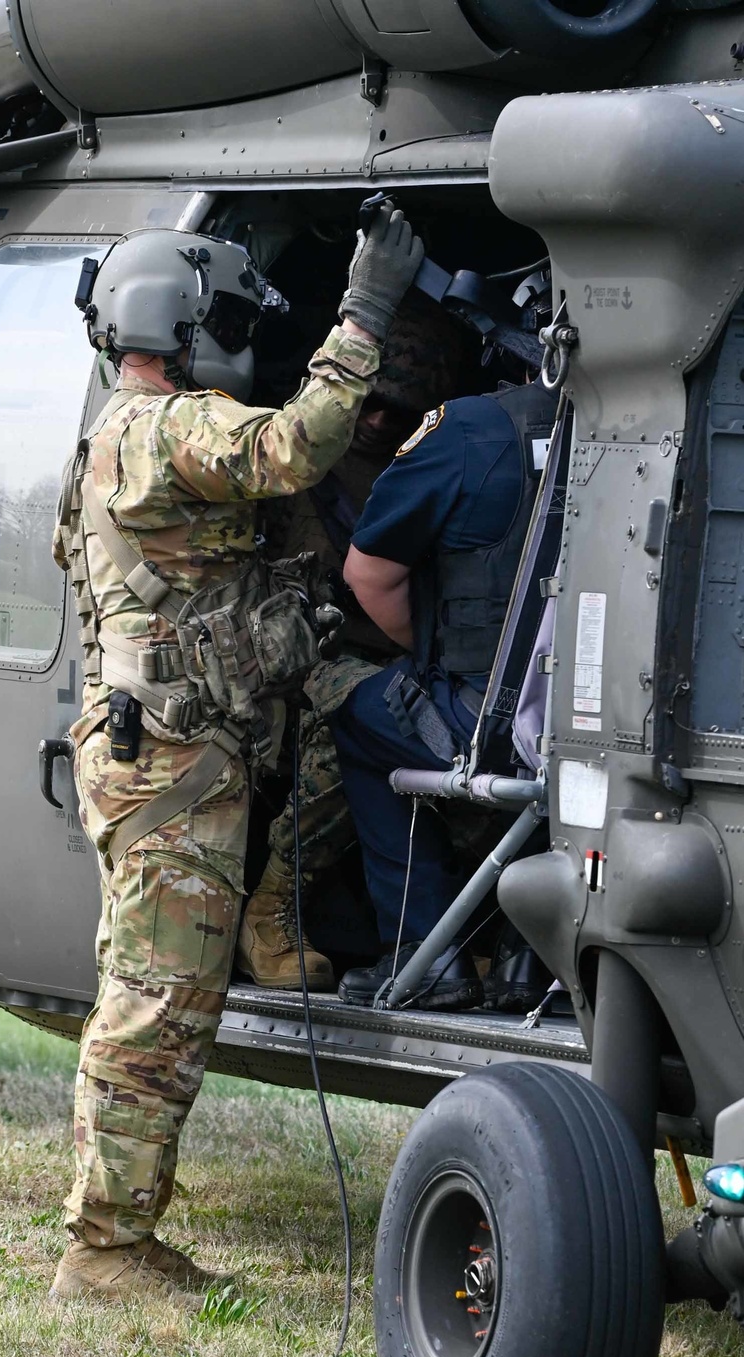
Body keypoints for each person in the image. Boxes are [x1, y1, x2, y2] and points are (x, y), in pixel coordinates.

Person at [49, 204, 424, 1300]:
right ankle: (104, 1253)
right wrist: (364, 311)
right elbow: (297, 444)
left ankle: (122, 1235)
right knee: (154, 1004)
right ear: (184, 321)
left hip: (174, 753)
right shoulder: (168, 426)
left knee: (161, 995)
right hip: (174, 765)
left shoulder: (116, 432)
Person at [330, 287, 559, 1010]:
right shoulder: (655, 428)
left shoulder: (466, 431)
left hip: (491, 722)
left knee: (363, 719)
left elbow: (369, 574)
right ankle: (529, 959)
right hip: (607, 725)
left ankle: (427, 951)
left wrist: (430, 660)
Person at [236, 293, 471, 990]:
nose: (371, 422)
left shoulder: (428, 469)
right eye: (365, 402)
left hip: (397, 656)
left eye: (394, 412)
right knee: (358, 716)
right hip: (296, 659)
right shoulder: (295, 455)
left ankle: (451, 928)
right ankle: (272, 904)